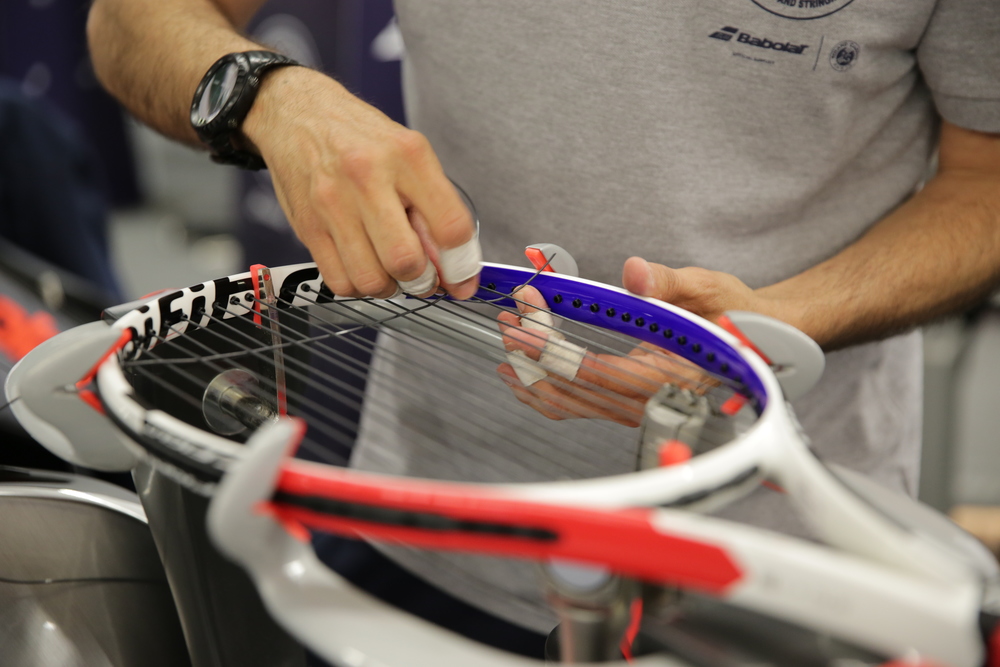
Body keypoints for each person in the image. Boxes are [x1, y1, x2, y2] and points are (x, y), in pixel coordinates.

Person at [87, 0, 1000, 652]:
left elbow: (986, 178)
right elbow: (129, 19)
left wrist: (781, 323)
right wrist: (272, 98)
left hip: (777, 573)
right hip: (428, 522)